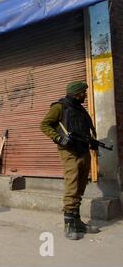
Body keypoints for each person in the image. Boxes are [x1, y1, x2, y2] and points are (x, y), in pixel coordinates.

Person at [41, 81, 100, 240]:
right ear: (77, 93)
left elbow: (86, 129)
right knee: (72, 185)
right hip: (69, 152)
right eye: (84, 92)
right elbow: (45, 125)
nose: (85, 95)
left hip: (83, 151)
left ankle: (77, 222)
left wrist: (92, 141)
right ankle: (69, 225)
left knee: (80, 186)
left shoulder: (81, 110)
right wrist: (59, 139)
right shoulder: (59, 107)